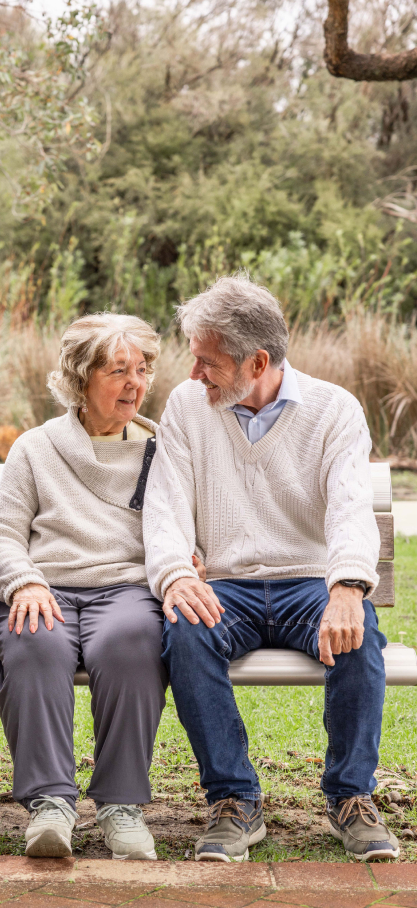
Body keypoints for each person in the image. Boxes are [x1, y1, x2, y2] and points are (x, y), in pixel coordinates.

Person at [143, 274, 399, 864]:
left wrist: (348, 587)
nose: (192, 373)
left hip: (309, 582)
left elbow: (351, 509)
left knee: (360, 633)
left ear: (256, 361)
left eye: (207, 361)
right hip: (224, 586)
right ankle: (234, 799)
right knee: (185, 631)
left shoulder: (334, 410)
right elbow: (164, 507)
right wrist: (177, 575)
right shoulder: (187, 406)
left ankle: (350, 797)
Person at [0, 312, 190, 861]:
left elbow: (188, 527)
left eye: (142, 369)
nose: (135, 383)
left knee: (131, 644)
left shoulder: (161, 450)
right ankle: (51, 805)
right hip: (42, 586)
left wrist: (193, 558)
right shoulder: (36, 447)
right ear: (80, 378)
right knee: (35, 641)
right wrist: (23, 582)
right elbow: (0, 536)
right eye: (119, 369)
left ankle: (121, 807)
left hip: (125, 590)